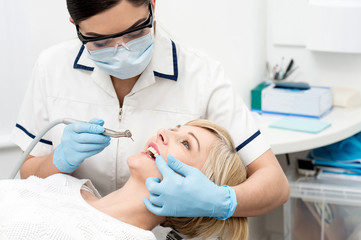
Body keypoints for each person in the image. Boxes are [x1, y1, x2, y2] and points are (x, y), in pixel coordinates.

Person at [12, 0, 289, 221]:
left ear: (152, 6)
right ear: (76, 26)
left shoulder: (202, 76)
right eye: (100, 42)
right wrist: (58, 161)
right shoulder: (52, 67)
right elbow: (28, 172)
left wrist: (218, 200)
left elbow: (275, 185)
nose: (121, 51)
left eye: (134, 33)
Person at [2, 120, 248, 240]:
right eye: (175, 128)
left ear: (196, 187)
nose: (164, 132)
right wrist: (57, 160)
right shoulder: (64, 183)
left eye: (185, 143)